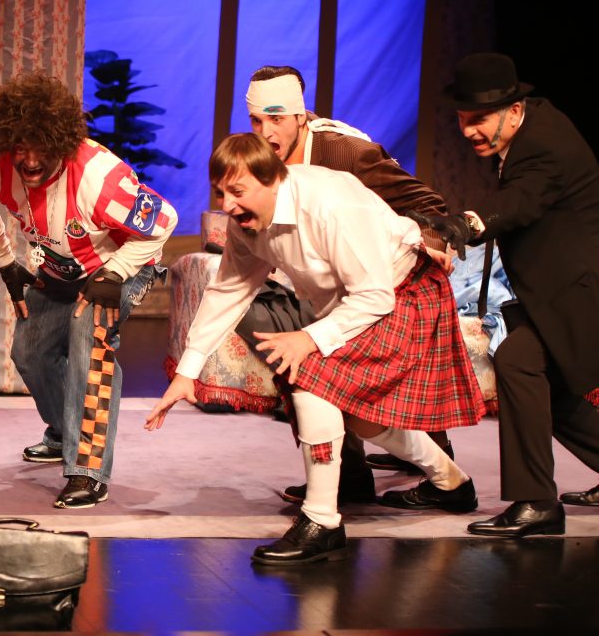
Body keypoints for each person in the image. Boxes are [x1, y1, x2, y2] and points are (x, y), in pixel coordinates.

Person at [147, 133, 484, 565]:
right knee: (362, 419)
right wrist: (187, 372)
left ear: (273, 180)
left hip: (405, 290)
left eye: (238, 191)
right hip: (357, 303)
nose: (227, 205)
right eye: (220, 193)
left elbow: (375, 295)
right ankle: (452, 484)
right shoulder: (246, 225)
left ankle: (321, 521)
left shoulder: (330, 205)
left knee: (310, 376)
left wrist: (308, 339)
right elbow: (229, 291)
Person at [238, 66, 456, 506]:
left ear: (300, 116)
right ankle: (350, 475)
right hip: (324, 284)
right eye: (257, 121)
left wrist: (430, 243)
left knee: (318, 364)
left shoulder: (345, 152)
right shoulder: (264, 157)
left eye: (276, 119)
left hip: (380, 278)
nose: (266, 132)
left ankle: (440, 469)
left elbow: (426, 202)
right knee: (281, 337)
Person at [0, 72, 174, 509]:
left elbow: (162, 221)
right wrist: (6, 263)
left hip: (121, 266)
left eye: (40, 146)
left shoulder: (98, 177)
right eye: (20, 147)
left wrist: (115, 273)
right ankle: (64, 433)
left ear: (60, 141)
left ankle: (88, 471)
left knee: (88, 343)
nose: (29, 160)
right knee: (29, 351)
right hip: (60, 269)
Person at [418, 53, 599, 538]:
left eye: (479, 119)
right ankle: (537, 501)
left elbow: (519, 200)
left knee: (523, 365)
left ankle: (537, 503)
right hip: (558, 286)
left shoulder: (544, 146)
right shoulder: (533, 125)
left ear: (514, 110)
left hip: (576, 290)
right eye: (462, 119)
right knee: (528, 371)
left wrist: (466, 224)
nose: (468, 131)